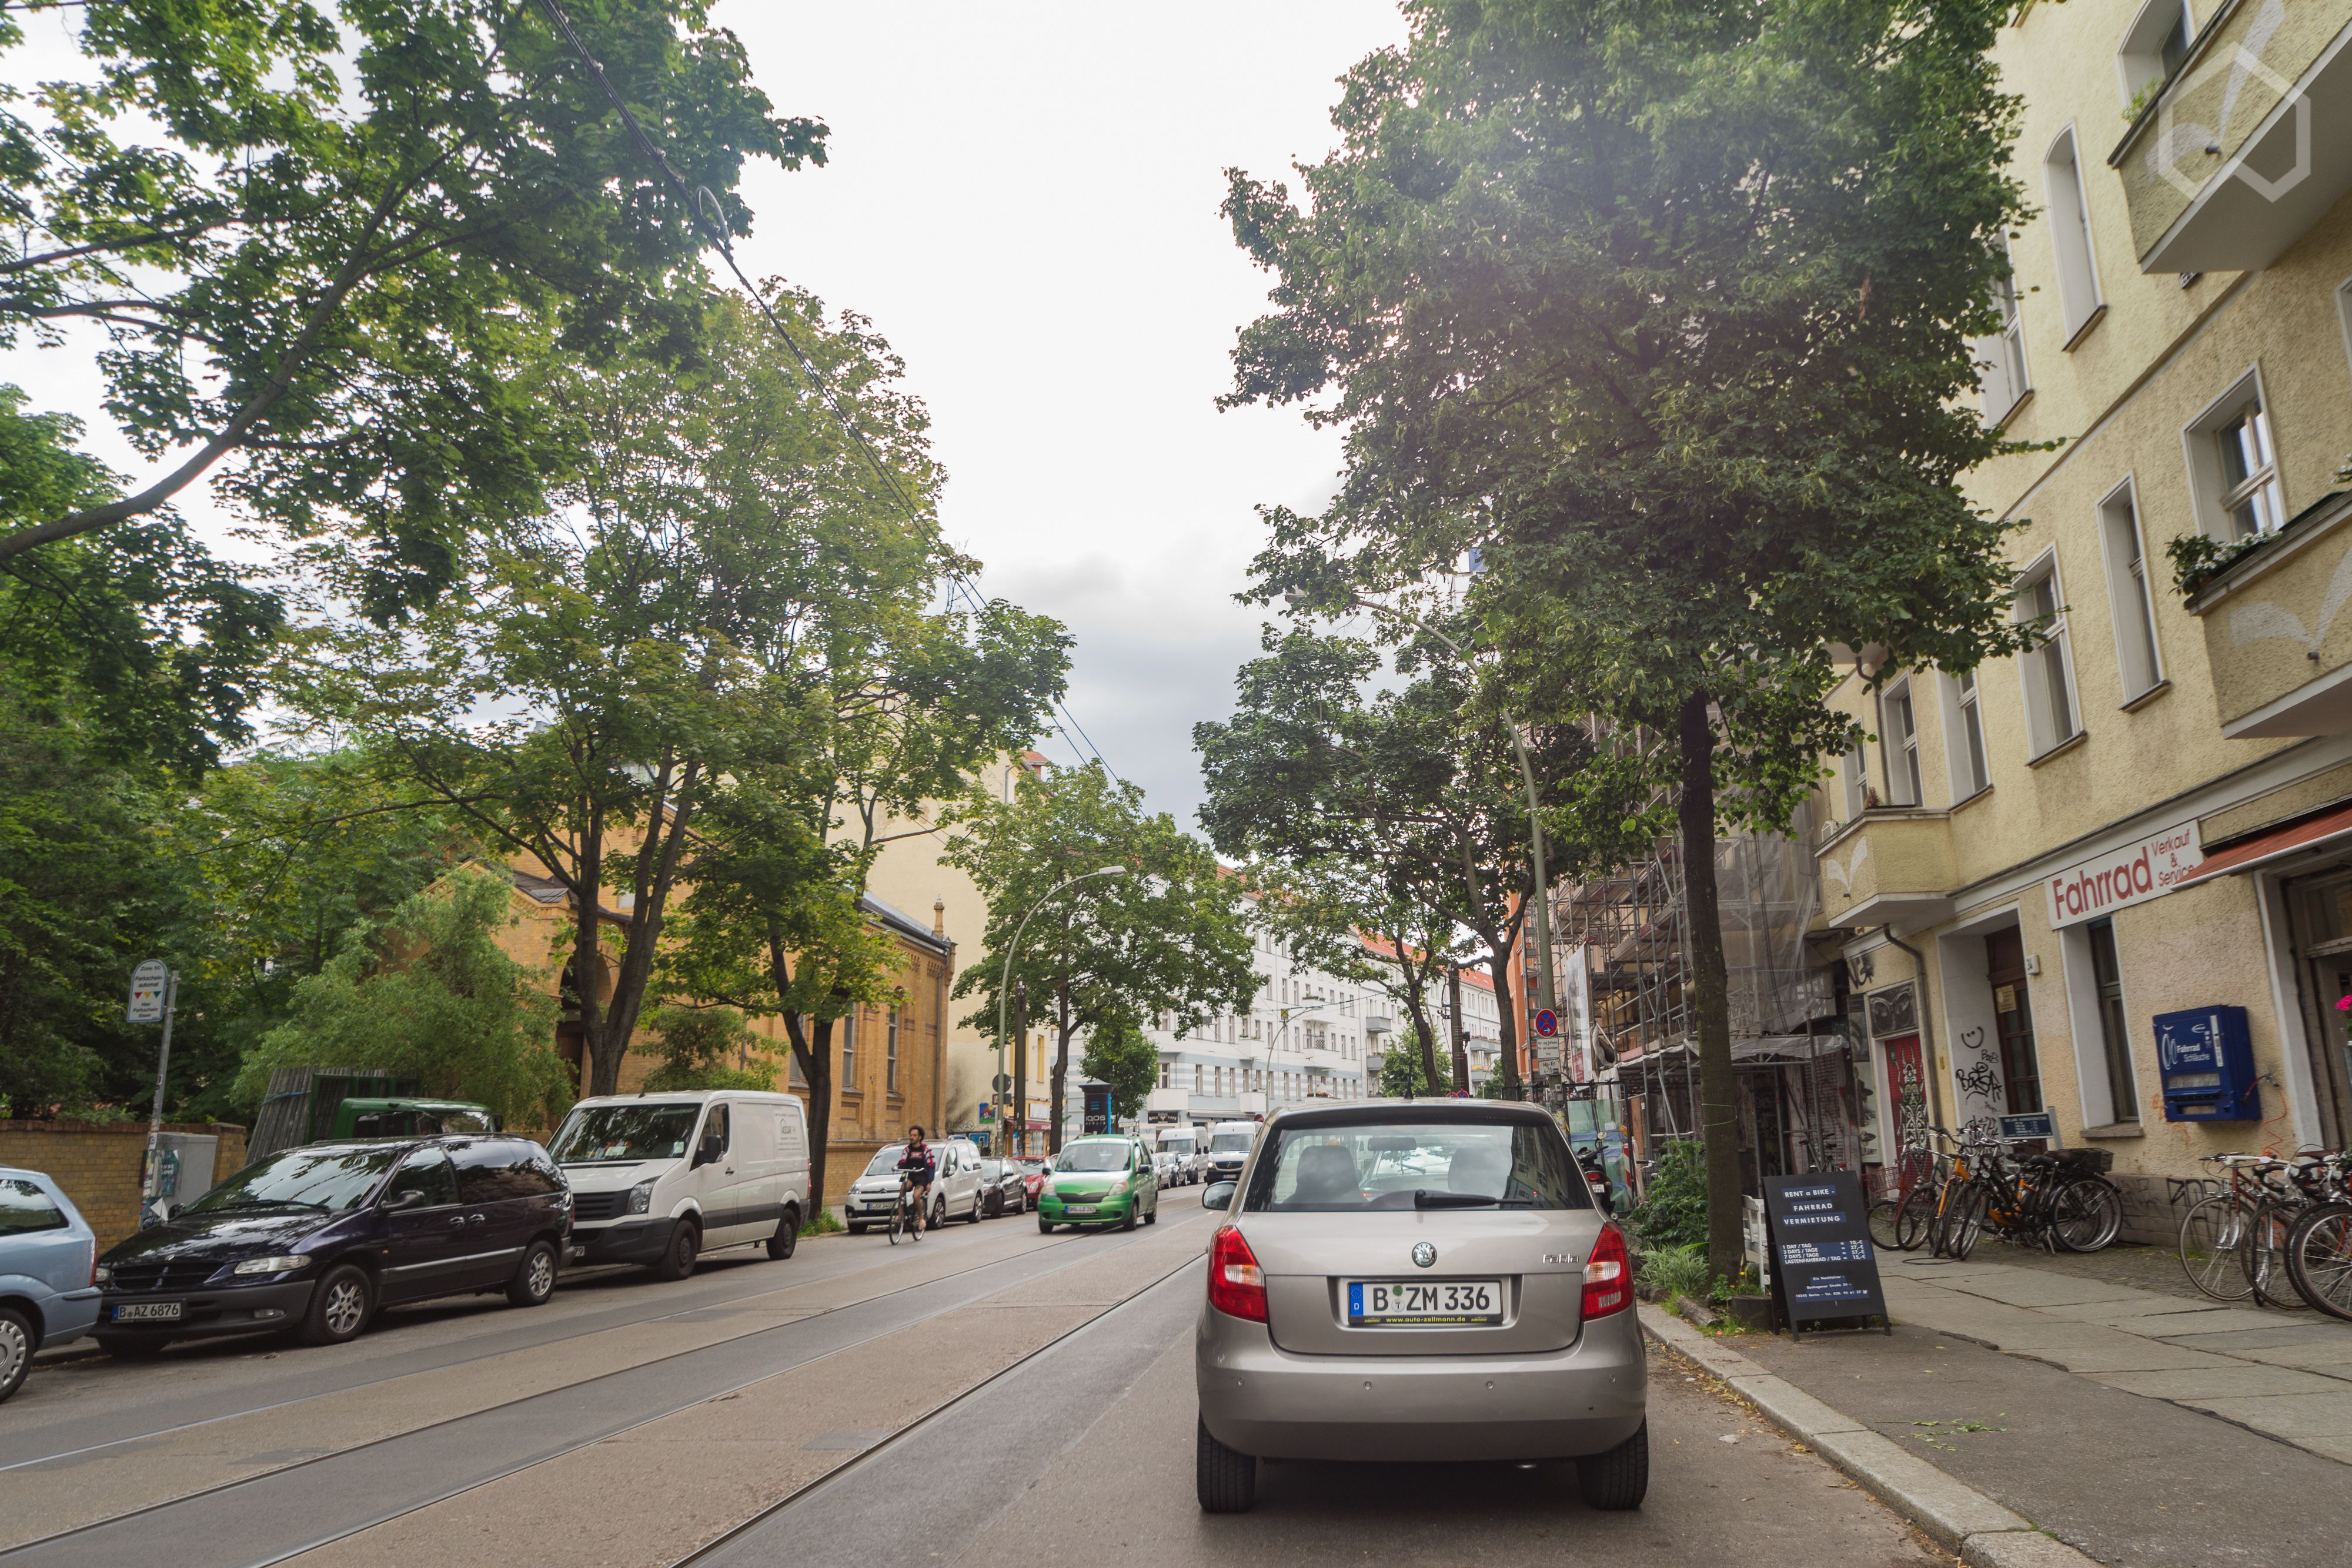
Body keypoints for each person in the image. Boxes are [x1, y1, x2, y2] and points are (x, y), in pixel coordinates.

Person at [896, 1126, 937, 1239]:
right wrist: (898, 1166)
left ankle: (921, 1219)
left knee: (916, 1196)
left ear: (920, 1137)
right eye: (911, 1135)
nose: (912, 1137)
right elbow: (903, 1161)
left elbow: (931, 1166)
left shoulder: (926, 1149)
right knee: (903, 1190)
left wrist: (929, 1182)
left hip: (922, 1177)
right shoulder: (907, 1149)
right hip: (911, 1175)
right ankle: (900, 1215)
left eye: (914, 1135)